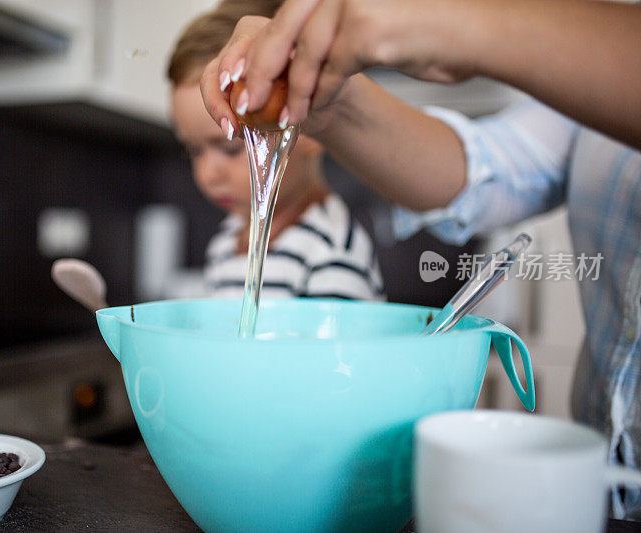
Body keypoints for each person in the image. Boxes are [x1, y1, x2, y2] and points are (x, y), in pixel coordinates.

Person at [199, 0, 641, 520]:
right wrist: (330, 104)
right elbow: (488, 167)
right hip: (605, 497)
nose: (207, 169)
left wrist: (464, 23)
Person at [166, 0, 383, 301]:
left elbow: (335, 351)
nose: (208, 174)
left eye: (230, 147)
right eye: (194, 151)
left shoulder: (330, 251)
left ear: (308, 125)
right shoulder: (224, 242)